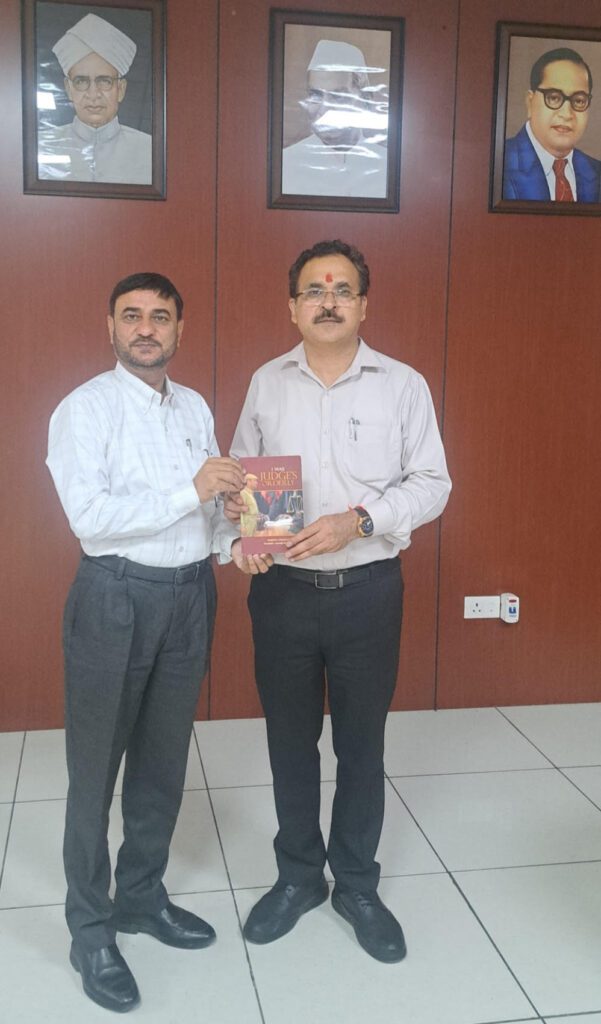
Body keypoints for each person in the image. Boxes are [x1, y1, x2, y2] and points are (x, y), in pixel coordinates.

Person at [46, 272, 269, 1013]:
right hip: (115, 597)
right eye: (132, 315)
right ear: (109, 327)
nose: (147, 328)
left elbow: (210, 510)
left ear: (179, 329)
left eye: (161, 316)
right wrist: (192, 490)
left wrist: (236, 539)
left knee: (163, 763)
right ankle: (90, 929)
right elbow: (90, 518)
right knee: (93, 773)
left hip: (188, 598)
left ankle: (141, 896)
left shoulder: (195, 407)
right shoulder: (84, 409)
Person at [229, 240, 451, 963]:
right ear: (292, 306)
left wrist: (358, 520)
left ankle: (356, 883)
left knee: (361, 745)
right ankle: (299, 876)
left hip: (367, 593)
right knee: (289, 742)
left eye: (342, 289)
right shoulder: (266, 383)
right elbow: (243, 479)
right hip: (282, 595)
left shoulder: (402, 385)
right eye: (314, 291)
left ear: (363, 305)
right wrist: (244, 532)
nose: (328, 301)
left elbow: (433, 484)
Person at [38, 13, 152, 184]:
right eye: (81, 81)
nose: (93, 94)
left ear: (121, 89)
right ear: (68, 89)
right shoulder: (42, 144)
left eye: (104, 81)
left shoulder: (149, 150)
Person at [282, 40, 388, 198]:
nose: (325, 110)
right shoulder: (286, 164)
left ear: (365, 97)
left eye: (338, 96)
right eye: (316, 95)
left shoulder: (388, 166)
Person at [503, 47, 601, 202]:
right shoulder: (499, 163)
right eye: (554, 98)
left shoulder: (596, 172)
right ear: (530, 102)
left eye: (579, 101)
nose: (566, 114)